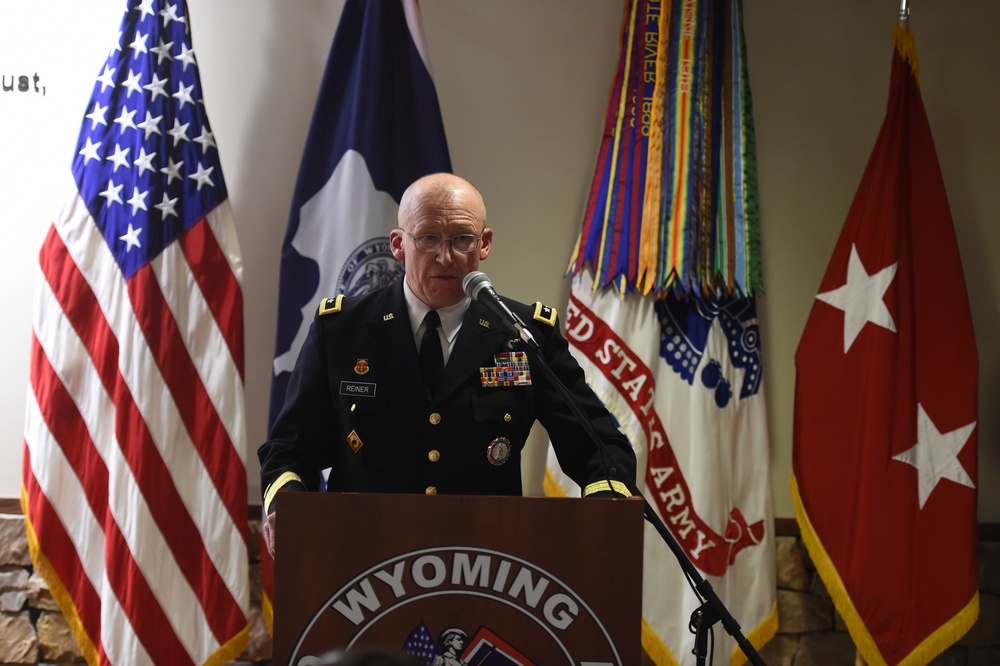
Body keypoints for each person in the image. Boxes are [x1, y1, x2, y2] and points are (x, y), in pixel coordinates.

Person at [259, 173, 636, 556]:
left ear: (484, 244)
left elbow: (601, 447)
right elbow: (291, 448)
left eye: (462, 239)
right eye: (427, 238)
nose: (446, 256)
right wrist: (287, 505)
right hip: (363, 562)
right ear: (398, 245)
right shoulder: (342, 331)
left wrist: (606, 510)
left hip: (486, 567)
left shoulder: (524, 335)